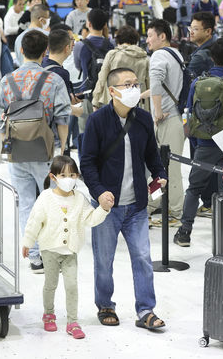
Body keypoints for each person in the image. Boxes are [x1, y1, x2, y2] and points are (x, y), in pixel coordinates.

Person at [80, 67, 168, 329]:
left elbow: (152, 155)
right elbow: (87, 163)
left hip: (137, 205)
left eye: (136, 83)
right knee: (104, 260)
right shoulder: (97, 121)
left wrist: (159, 174)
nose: (134, 89)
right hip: (107, 207)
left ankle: (146, 310)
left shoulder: (142, 119)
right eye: (128, 84)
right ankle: (105, 305)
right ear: (112, 91)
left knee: (142, 257)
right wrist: (99, 192)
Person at [0, 30, 71, 272]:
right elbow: (63, 117)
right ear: (45, 52)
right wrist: (63, 149)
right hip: (45, 152)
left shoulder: (6, 81)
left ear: (22, 51)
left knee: (26, 203)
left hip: (16, 152)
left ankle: (35, 256)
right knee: (54, 202)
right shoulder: (53, 81)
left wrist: (8, 146)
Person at [22, 156, 112, 339]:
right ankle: (49, 314)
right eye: (63, 175)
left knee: (72, 286)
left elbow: (91, 219)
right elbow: (34, 222)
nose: (68, 178)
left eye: (72, 174)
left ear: (77, 176)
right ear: (53, 177)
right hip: (49, 250)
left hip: (70, 251)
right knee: (51, 284)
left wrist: (103, 209)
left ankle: (72, 322)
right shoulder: (45, 198)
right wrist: (28, 243)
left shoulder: (80, 199)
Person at [173, 38, 223, 247]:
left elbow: (188, 113)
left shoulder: (198, 82)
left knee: (194, 188)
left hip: (204, 143)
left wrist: (195, 141)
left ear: (211, 58)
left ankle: (185, 232)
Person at [144, 19, 185, 222]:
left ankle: (176, 212)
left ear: (162, 36)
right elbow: (161, 86)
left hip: (166, 119)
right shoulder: (175, 53)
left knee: (171, 169)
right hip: (175, 117)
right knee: (160, 168)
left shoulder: (158, 55)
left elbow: (158, 82)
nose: (147, 40)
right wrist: (140, 96)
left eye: (151, 35)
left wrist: (157, 111)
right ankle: (155, 203)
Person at [92, 25, 150, 111]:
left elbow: (102, 79)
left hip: (114, 101)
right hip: (137, 102)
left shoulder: (113, 55)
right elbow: (149, 83)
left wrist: (95, 102)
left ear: (118, 39)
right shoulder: (144, 57)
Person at [75, 8, 114, 133]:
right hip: (107, 94)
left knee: (86, 131)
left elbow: (78, 66)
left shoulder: (80, 45)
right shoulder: (111, 44)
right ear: (104, 25)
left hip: (88, 93)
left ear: (89, 24)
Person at [187, 11, 215, 78]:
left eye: (195, 29)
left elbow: (185, 79)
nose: (191, 32)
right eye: (190, 28)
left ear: (208, 31)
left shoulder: (201, 56)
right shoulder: (216, 44)